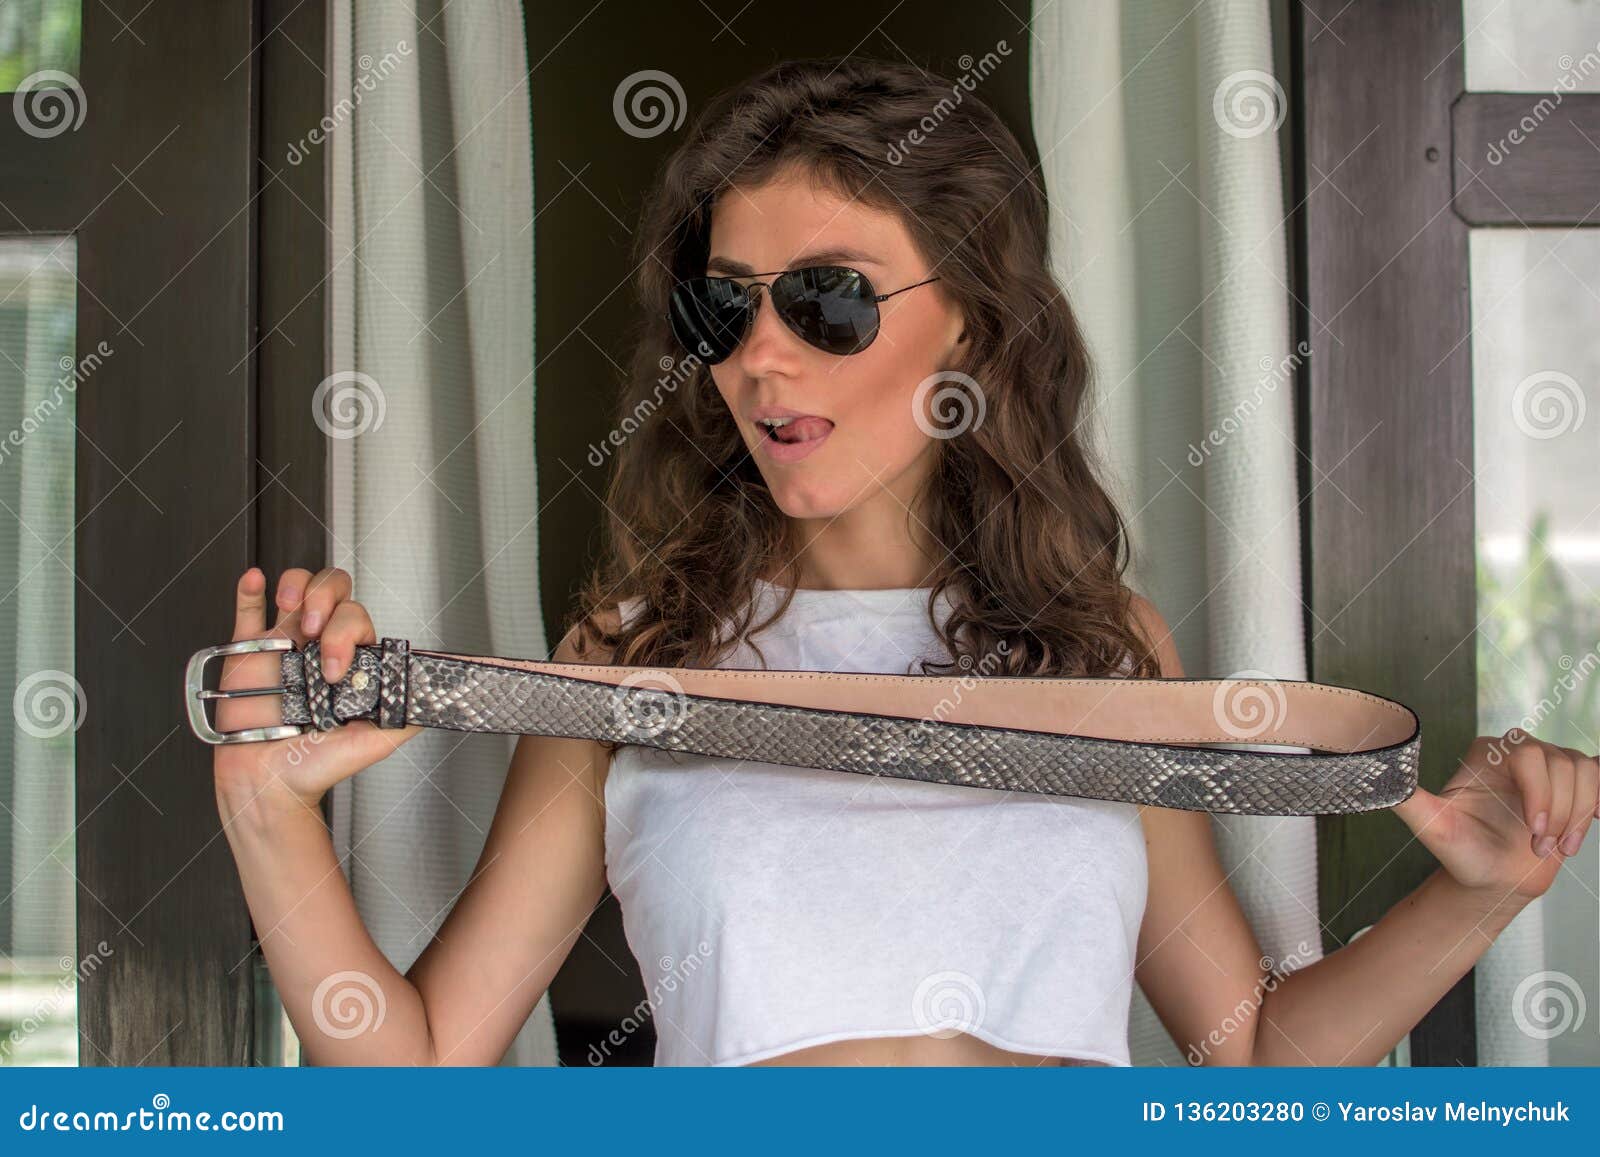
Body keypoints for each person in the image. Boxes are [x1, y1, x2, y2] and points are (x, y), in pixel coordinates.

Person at [212, 57, 1596, 1067]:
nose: (762, 354)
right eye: (725, 306)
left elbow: (1251, 1061)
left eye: (827, 301)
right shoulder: (628, 657)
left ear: (975, 329)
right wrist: (271, 818)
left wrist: (1477, 893)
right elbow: (426, 1066)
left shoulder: (1105, 645)